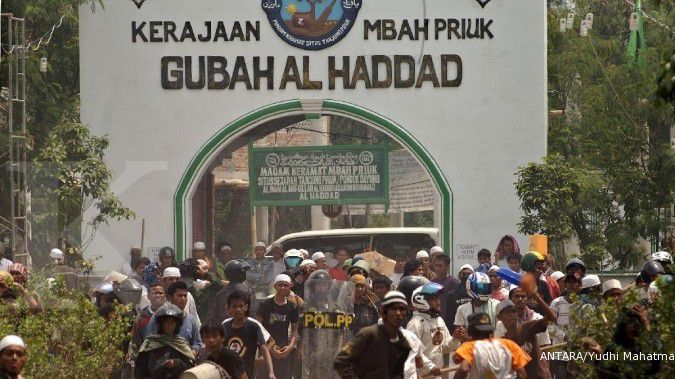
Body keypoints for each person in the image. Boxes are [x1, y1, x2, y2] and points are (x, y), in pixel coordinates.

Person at [333, 291, 441, 378]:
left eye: (402, 309)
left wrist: (431, 368)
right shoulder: (368, 335)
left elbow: (420, 360)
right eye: (393, 309)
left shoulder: (411, 337)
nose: (398, 313)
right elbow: (341, 361)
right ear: (383, 311)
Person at [495, 289, 556, 379]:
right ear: (499, 317)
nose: (512, 314)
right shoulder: (504, 340)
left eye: (513, 311)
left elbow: (552, 317)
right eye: (507, 312)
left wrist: (536, 296)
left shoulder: (528, 327)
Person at [452, 312, 530, 379]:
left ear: (470, 331)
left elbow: (463, 369)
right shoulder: (510, 345)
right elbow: (522, 375)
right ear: (491, 330)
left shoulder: (469, 347)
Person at [222, 291, 275, 379]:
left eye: (241, 306)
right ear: (228, 308)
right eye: (234, 306)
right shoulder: (224, 326)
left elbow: (265, 348)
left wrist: (271, 372)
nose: (238, 309)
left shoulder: (254, 326)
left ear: (246, 307)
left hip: (247, 374)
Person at [256, 274, 299, 379]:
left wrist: (290, 347)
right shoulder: (264, 304)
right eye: (280, 285)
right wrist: (270, 348)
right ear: (275, 286)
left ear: (290, 287)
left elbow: (294, 330)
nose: (283, 287)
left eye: (286, 285)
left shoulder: (292, 306)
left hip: (283, 350)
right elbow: (258, 328)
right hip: (265, 348)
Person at [406, 282, 453, 378]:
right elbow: (413, 352)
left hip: (436, 375)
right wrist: (431, 367)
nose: (438, 302)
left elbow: (446, 347)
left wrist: (456, 339)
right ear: (421, 300)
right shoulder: (415, 324)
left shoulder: (439, 320)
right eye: (434, 299)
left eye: (438, 298)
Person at [135, 304, 195, 378]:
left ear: (177, 324)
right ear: (161, 324)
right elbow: (140, 371)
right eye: (166, 322)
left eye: (172, 322)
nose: (169, 325)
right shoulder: (149, 343)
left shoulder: (181, 344)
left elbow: (190, 368)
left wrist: (176, 363)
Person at [146, 281, 203, 354]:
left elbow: (197, 343)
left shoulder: (190, 320)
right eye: (179, 296)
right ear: (170, 298)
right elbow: (149, 340)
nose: (183, 299)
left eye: (185, 296)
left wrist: (194, 351)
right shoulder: (159, 316)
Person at [548, 274, 581, 379]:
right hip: (559, 353)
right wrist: (564, 336)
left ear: (580, 285)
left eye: (574, 282)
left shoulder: (583, 304)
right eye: (568, 282)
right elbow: (550, 326)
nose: (571, 284)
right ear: (565, 285)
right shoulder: (556, 303)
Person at [453, 272, 499, 344]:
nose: (484, 290)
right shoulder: (462, 309)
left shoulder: (496, 305)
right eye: (480, 288)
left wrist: (469, 339)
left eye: (486, 287)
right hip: (470, 350)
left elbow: (500, 332)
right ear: (469, 286)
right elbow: (460, 335)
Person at [208, 259, 254, 325]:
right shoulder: (248, 291)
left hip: (225, 331)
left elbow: (215, 316)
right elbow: (253, 313)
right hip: (244, 330)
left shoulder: (220, 293)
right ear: (240, 273)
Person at [130, 283, 167, 359]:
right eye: (154, 293)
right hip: (147, 360)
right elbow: (136, 342)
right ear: (148, 297)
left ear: (165, 296)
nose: (158, 295)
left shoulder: (172, 315)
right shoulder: (141, 318)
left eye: (160, 293)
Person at [445, 264, 474, 333]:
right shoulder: (451, 295)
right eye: (463, 274)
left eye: (469, 274)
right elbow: (449, 318)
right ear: (459, 275)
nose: (466, 276)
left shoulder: (476, 294)